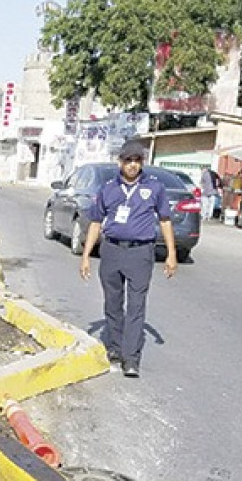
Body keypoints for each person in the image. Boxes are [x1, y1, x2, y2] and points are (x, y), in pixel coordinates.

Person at [78, 141, 178, 378]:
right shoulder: (108, 188)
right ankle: (114, 348)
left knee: (136, 306)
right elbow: (95, 223)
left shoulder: (154, 188)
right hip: (111, 251)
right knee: (113, 304)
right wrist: (85, 256)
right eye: (128, 160)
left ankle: (131, 359)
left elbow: (165, 220)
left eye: (137, 160)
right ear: (120, 162)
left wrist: (171, 254)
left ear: (142, 162)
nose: (133, 165)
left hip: (140, 253)